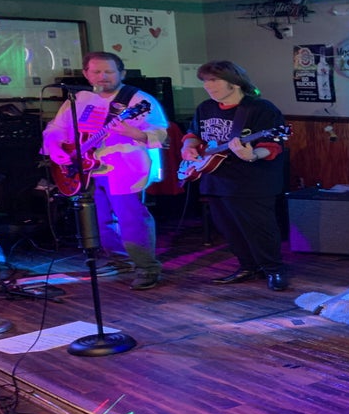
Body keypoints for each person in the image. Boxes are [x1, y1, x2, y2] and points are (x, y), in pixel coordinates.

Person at [42, 51, 169, 291]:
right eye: (97, 71)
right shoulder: (80, 98)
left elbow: (160, 133)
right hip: (87, 168)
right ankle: (119, 259)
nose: (103, 76)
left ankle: (146, 267)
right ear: (86, 74)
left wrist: (135, 133)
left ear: (121, 73)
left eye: (109, 71)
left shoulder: (138, 100)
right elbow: (57, 128)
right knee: (99, 218)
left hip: (124, 166)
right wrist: (56, 148)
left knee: (131, 218)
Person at [180, 60, 291, 291]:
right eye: (205, 81)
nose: (208, 86)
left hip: (251, 182)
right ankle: (248, 266)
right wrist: (188, 147)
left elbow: (272, 145)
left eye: (214, 80)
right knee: (229, 228)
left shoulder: (261, 109)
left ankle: (274, 269)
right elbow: (193, 134)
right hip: (214, 179)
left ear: (235, 82)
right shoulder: (205, 107)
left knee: (260, 228)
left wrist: (252, 155)